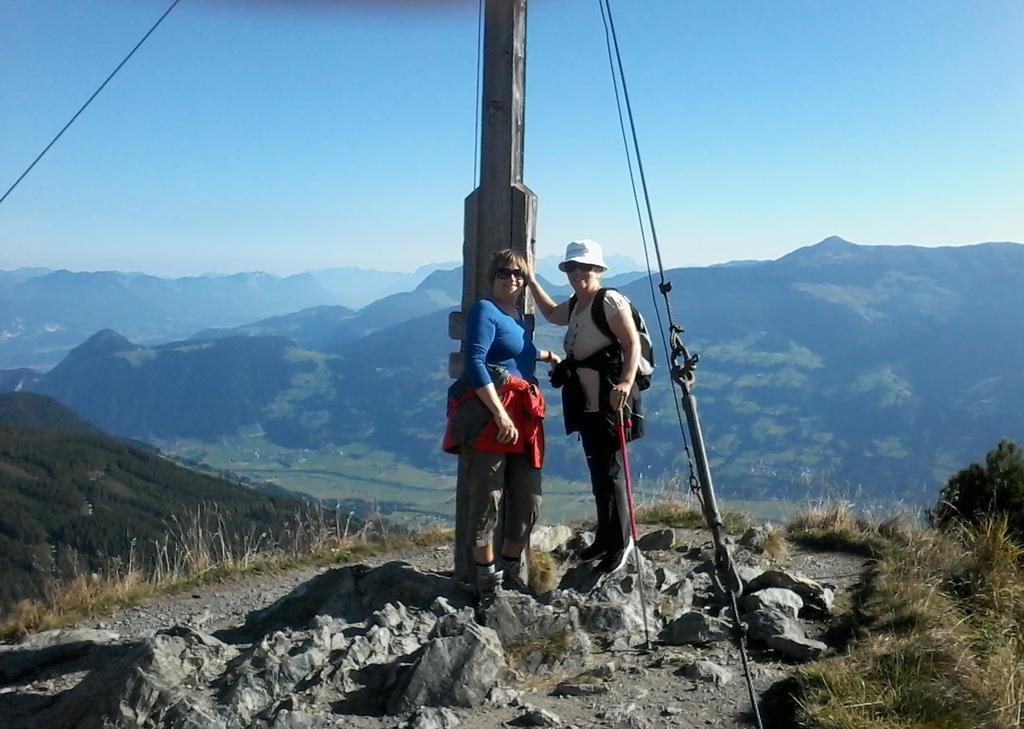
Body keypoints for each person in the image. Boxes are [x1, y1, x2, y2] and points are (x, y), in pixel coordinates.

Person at [443, 249, 561, 597]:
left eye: (519, 274)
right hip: (493, 416)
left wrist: (547, 355)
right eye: (505, 272)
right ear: (492, 276)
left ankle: (510, 571)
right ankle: (487, 582)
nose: (512, 278)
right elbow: (475, 362)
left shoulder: (518, 318)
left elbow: (515, 353)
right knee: (487, 499)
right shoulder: (485, 310)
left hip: (524, 415)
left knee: (528, 502)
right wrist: (499, 413)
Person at [528, 239, 642, 574]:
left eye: (585, 267)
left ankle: (621, 543)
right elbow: (550, 314)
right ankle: (605, 537)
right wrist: (532, 280)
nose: (578, 273)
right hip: (587, 402)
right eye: (572, 267)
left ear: (599, 270)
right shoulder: (579, 303)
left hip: (610, 399)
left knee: (611, 470)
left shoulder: (609, 300)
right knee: (599, 471)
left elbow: (631, 342)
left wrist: (624, 383)